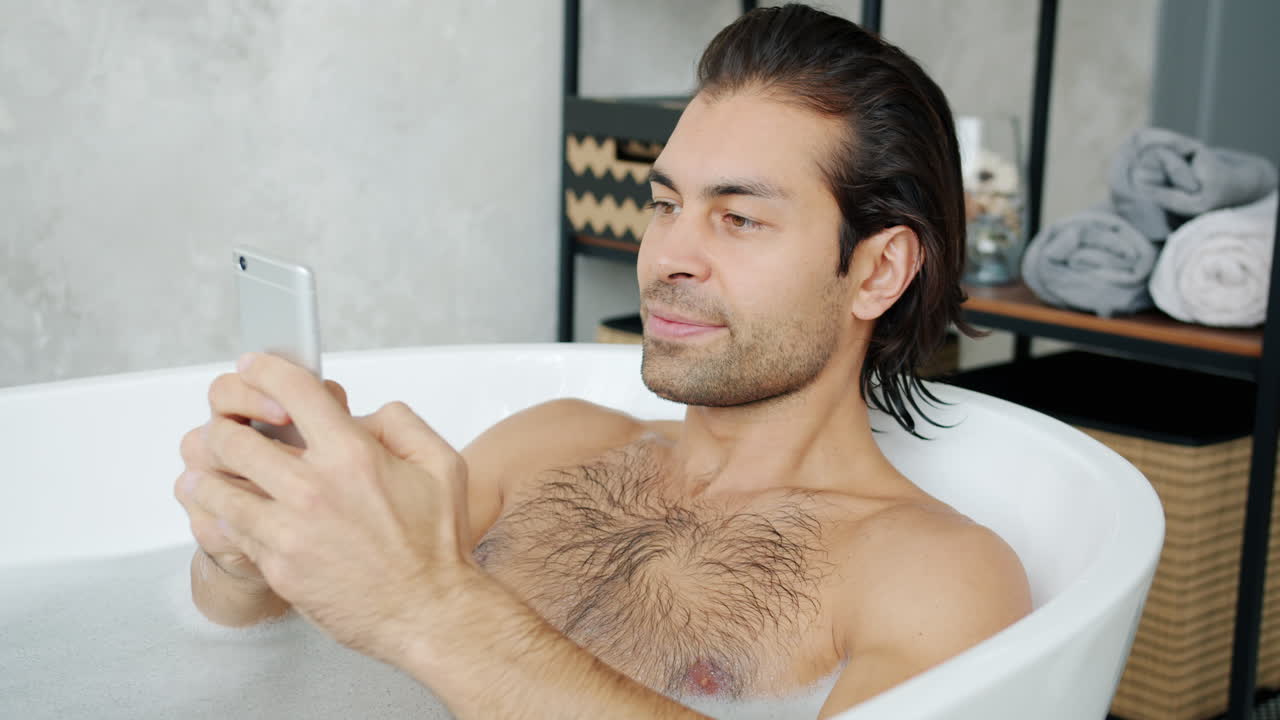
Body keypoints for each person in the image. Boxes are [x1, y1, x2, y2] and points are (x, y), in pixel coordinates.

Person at [173, 4, 1031, 718]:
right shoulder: (553, 443)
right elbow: (262, 636)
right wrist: (240, 557)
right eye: (665, 204)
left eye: (738, 218)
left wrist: (426, 610)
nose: (668, 257)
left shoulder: (933, 572)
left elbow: (406, 599)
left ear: (877, 271)